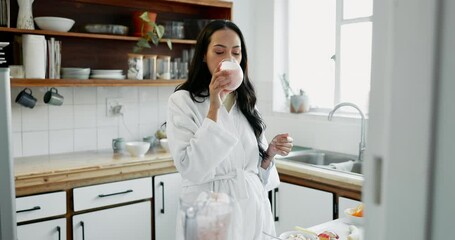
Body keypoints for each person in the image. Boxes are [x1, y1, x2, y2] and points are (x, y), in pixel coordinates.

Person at [166, 20, 293, 239]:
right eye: (219, 51)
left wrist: (269, 154)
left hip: (252, 208)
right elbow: (191, 168)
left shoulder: (247, 102)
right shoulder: (183, 101)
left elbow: (256, 173)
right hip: (211, 214)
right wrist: (215, 104)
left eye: (236, 53)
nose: (229, 60)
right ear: (204, 55)